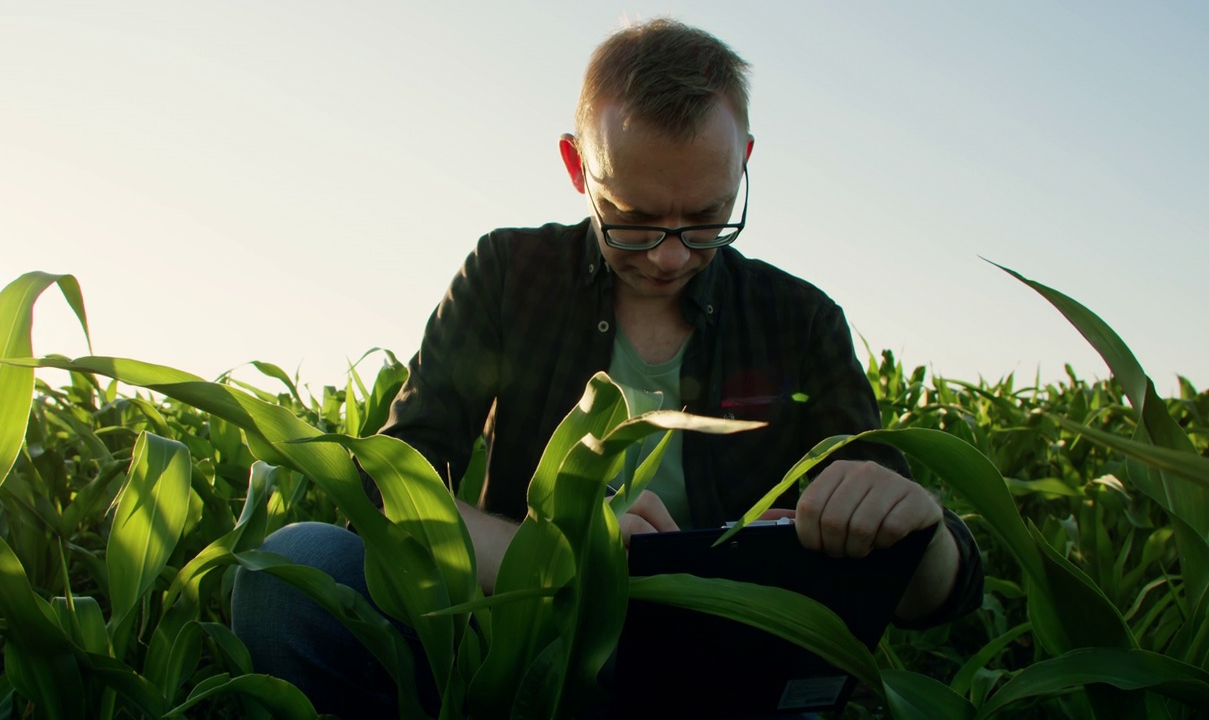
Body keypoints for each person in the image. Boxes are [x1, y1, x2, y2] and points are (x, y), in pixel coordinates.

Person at [233, 17, 982, 718]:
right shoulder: (508, 272)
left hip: (728, 675)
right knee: (289, 569)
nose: (669, 255)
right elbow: (393, 481)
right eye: (632, 217)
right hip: (524, 647)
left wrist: (922, 533)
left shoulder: (801, 318)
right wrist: (563, 560)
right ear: (576, 165)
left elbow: (923, 592)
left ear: (744, 160)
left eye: (706, 219)